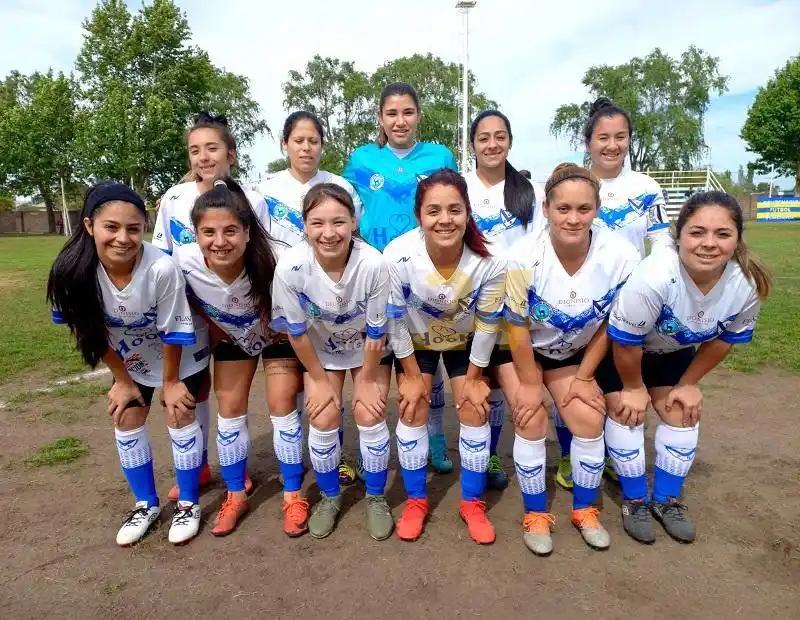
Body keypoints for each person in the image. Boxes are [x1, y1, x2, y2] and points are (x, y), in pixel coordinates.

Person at [47, 182, 211, 546]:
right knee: (126, 414)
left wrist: (170, 383)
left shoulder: (161, 269)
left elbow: (173, 332)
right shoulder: (71, 272)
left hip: (178, 354)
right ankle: (146, 504)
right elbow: (89, 333)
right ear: (89, 225)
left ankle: (187, 503)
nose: (123, 238)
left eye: (133, 228)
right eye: (112, 227)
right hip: (129, 357)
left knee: (180, 412)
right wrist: (121, 380)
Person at [605, 190, 770, 544]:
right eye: (697, 232)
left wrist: (689, 382)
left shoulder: (745, 285)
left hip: (672, 354)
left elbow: (723, 340)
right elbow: (623, 342)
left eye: (722, 234)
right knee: (626, 413)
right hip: (624, 353)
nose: (709, 244)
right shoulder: (654, 276)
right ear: (678, 236)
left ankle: (666, 500)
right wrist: (634, 389)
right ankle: (635, 500)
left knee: (682, 413)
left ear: (737, 239)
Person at [504, 163, 641, 554]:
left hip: (572, 355)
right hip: (522, 350)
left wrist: (583, 376)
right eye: (563, 208)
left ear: (597, 209)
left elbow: (610, 326)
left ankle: (584, 509)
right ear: (546, 208)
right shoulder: (522, 256)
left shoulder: (621, 255)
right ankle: (535, 513)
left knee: (588, 417)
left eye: (584, 209)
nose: (573, 218)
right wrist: (531, 386)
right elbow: (515, 328)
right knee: (530, 419)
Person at [176, 176, 308, 536]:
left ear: (248, 232)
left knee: (282, 406)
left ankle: (293, 494)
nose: (220, 242)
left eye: (231, 231)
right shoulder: (182, 262)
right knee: (229, 409)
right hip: (234, 337)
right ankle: (236, 494)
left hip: (278, 335)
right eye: (209, 233)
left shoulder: (276, 257)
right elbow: (182, 307)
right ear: (195, 234)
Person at [553, 97, 674, 490]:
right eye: (603, 137)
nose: (612, 145)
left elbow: (663, 245)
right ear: (588, 142)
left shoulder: (646, 187)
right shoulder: (575, 184)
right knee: (576, 380)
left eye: (620, 137)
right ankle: (574, 454)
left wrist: (659, 290)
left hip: (633, 301)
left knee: (619, 382)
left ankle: (611, 453)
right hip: (582, 301)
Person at [384, 169, 506, 544]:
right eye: (434, 210)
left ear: (468, 213)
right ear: (419, 215)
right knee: (412, 405)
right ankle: (417, 501)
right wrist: (409, 376)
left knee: (472, 406)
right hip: (415, 343)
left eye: (455, 209)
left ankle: (471, 503)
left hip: (463, 342)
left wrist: (473, 379)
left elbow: (487, 326)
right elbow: (396, 322)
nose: (445, 219)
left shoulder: (491, 260)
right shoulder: (397, 255)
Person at [345, 82, 459, 476]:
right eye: (391, 113)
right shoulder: (361, 158)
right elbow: (346, 207)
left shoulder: (439, 156)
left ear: (418, 116)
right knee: (376, 357)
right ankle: (369, 441)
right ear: (380, 118)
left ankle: (435, 435)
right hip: (376, 273)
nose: (400, 121)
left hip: (424, 271)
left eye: (407, 112)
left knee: (429, 355)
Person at [153, 112, 267, 501]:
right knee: (197, 391)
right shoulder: (173, 198)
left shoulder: (251, 199)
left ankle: (238, 471)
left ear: (230, 154)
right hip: (193, 314)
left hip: (241, 314)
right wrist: (198, 314)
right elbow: (165, 262)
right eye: (194, 150)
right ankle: (198, 466)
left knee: (232, 397)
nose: (203, 157)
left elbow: (259, 258)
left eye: (212, 148)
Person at [271, 183, 394, 541]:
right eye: (317, 223)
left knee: (369, 414)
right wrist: (320, 379)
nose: (329, 233)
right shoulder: (291, 266)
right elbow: (296, 332)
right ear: (305, 226)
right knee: (323, 415)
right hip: (319, 353)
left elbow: (376, 331)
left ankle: (375, 496)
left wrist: (368, 379)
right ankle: (329, 496)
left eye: (338, 222)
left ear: (353, 222)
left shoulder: (373, 263)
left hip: (368, 351)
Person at [260, 111, 363, 486]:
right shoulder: (265, 189)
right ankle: (300, 470)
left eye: (314, 140)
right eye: (298, 140)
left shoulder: (339, 185)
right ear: (284, 144)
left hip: (330, 305)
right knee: (290, 393)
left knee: (325, 389)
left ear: (322, 145)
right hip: (286, 297)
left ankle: (333, 461)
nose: (306, 147)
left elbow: (355, 240)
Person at [463, 109, 546, 490]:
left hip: (516, 302)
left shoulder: (530, 191)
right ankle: (487, 453)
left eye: (500, 136)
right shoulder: (462, 189)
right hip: (472, 302)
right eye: (484, 137)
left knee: (510, 380)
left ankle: (501, 450)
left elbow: (540, 247)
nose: (492, 144)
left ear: (509, 141)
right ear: (473, 145)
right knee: (487, 379)